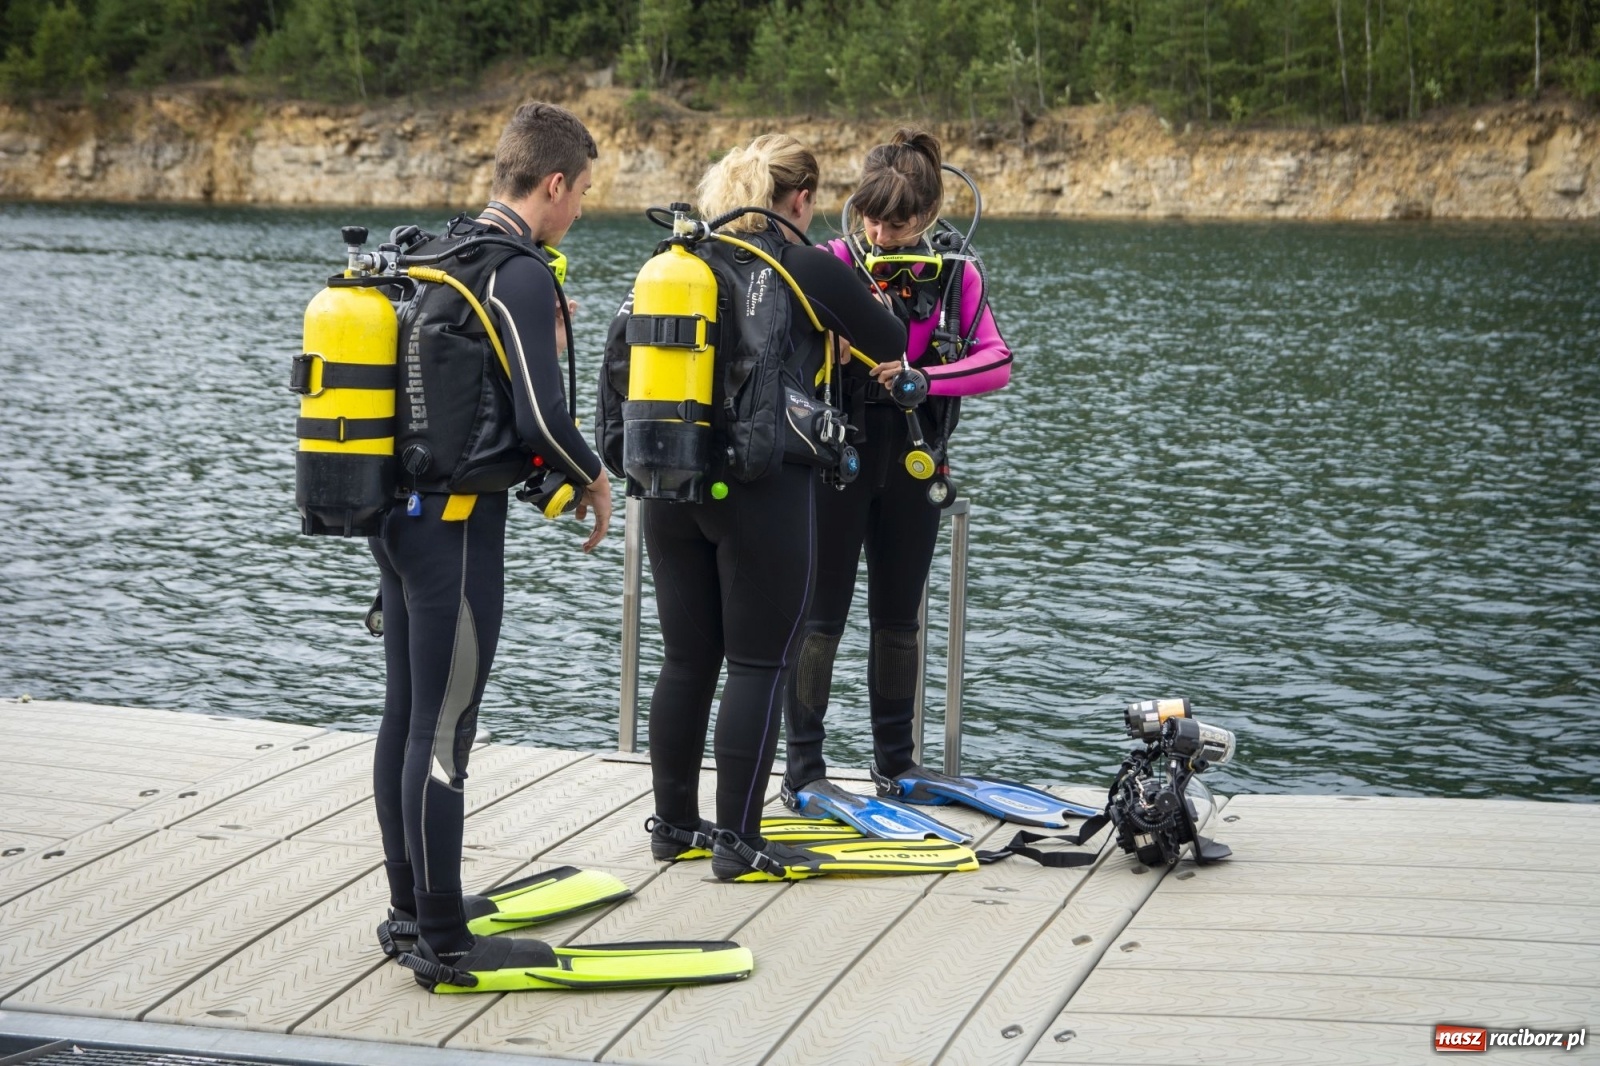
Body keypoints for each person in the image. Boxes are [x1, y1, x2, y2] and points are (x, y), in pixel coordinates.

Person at [599, 135, 975, 882]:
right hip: (762, 488)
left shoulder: (679, 264)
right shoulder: (800, 264)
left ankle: (674, 825)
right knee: (757, 664)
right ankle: (740, 838)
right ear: (800, 200)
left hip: (670, 484)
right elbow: (893, 338)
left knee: (683, 661)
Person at [369, 102, 615, 970]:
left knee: (408, 716)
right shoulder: (514, 270)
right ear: (552, 184)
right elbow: (544, 415)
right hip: (461, 534)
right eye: (581, 191)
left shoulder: (440, 253)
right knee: (444, 734)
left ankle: (411, 905)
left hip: (399, 519)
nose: (581, 207)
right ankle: (441, 939)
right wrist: (593, 476)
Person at [783, 129, 1074, 835]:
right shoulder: (830, 262)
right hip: (838, 463)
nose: (882, 233)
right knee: (820, 617)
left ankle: (896, 763)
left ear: (932, 212)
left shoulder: (956, 276)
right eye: (871, 218)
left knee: (899, 616)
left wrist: (924, 378)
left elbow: (998, 362)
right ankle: (804, 769)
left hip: (915, 463)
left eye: (900, 221)